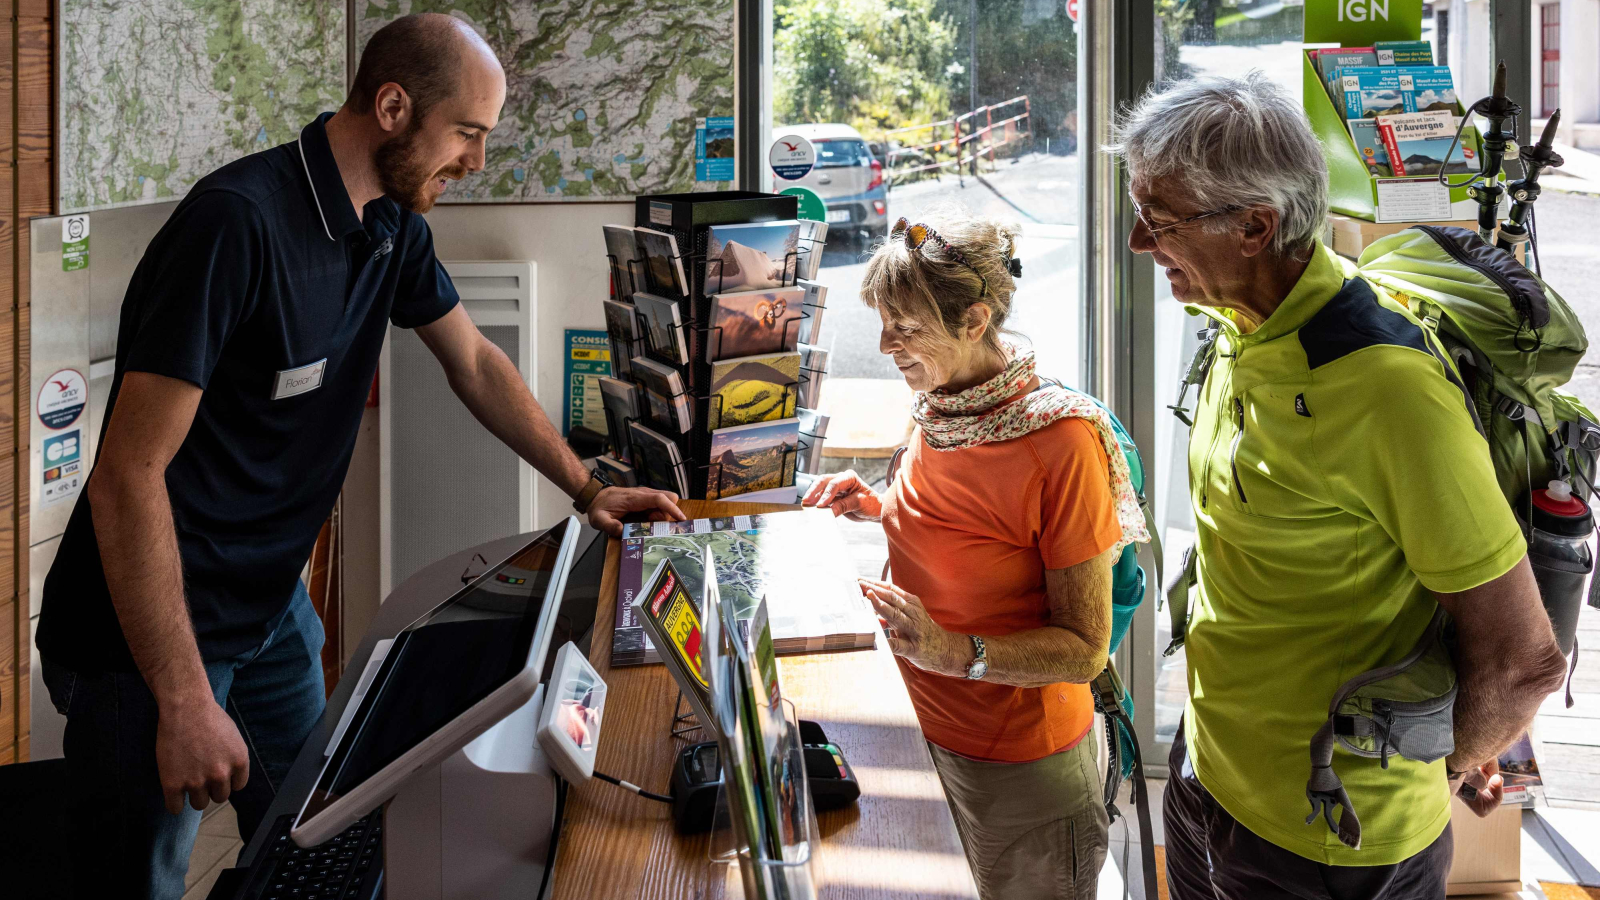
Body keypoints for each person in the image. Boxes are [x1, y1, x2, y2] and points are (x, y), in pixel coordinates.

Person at [35, 14, 683, 899]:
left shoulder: (389, 223)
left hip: (267, 616)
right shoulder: (235, 226)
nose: (475, 162)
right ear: (391, 107)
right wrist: (185, 698)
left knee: (326, 843)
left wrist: (587, 487)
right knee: (139, 879)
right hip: (147, 641)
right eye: (467, 133)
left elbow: (476, 363)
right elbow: (126, 475)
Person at [1109, 73, 1569, 899]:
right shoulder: (1236, 324)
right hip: (1205, 773)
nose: (1141, 244)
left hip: (1332, 841)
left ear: (1255, 225)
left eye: (1160, 219)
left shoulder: (1387, 390)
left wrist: (1440, 768)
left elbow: (1527, 661)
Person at [803, 209, 1150, 900]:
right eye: (882, 320)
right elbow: (974, 528)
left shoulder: (1060, 444)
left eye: (906, 326)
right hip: (917, 727)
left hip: (1020, 763)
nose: (884, 344)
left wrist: (954, 651)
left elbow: (1085, 648)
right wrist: (880, 505)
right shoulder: (942, 403)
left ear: (974, 319)